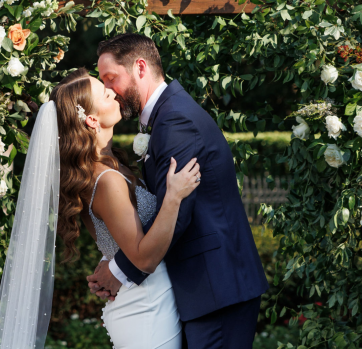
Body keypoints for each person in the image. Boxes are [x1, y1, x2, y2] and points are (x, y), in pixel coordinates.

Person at [0, 67, 201, 349]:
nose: (113, 91)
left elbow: (121, 241)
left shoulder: (110, 167)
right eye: (104, 92)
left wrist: (111, 263)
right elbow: (143, 259)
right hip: (146, 310)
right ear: (91, 119)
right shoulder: (106, 180)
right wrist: (173, 197)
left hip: (150, 301)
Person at [86, 33, 269, 349]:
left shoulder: (175, 120)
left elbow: (179, 212)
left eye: (110, 78)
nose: (109, 91)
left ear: (140, 68)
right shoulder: (166, 117)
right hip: (203, 289)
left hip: (215, 288)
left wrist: (119, 268)